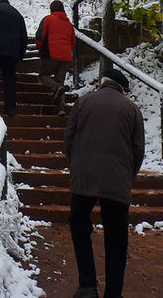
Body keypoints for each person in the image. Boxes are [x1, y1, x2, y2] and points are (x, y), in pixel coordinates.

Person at [64, 68, 145, 298]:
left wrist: (75, 164)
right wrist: (129, 175)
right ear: (122, 89)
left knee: (79, 226)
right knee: (116, 237)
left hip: (84, 176)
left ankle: (88, 285)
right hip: (117, 180)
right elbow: (138, 149)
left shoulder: (83, 102)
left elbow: (69, 137)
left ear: (102, 83)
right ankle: (113, 292)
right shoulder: (132, 110)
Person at [35, 0, 77, 114]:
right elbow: (73, 42)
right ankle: (60, 109)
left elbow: (40, 37)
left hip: (50, 54)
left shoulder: (48, 19)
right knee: (60, 81)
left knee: (43, 75)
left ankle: (55, 88)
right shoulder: (69, 24)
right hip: (66, 57)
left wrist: (40, 47)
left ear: (51, 9)